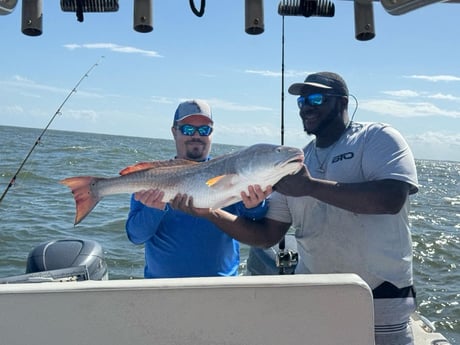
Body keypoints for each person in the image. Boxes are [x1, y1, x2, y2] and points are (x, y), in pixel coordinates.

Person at [171, 73, 419, 345]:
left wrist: (311, 187)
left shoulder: (377, 138)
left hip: (380, 294)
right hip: (313, 293)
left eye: (316, 98)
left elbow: (391, 199)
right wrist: (211, 212)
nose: (306, 107)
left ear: (342, 102)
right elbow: (267, 236)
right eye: (302, 101)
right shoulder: (292, 165)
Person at [125, 99, 268, 278]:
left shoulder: (228, 172)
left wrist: (255, 206)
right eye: (188, 129)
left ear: (211, 134)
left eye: (204, 130)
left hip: (220, 287)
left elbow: (254, 226)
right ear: (174, 132)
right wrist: (153, 210)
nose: (196, 135)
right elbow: (136, 237)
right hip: (162, 288)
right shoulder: (154, 178)